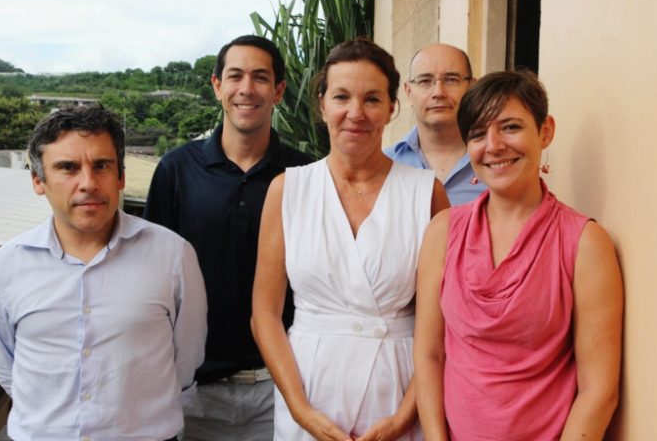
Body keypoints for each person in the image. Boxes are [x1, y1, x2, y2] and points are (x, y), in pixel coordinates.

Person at [252, 38, 449, 441]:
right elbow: (265, 314)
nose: (355, 113)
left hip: (398, 392)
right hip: (308, 390)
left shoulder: (426, 192)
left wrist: (403, 418)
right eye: (341, 97)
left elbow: (443, 321)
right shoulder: (287, 190)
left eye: (372, 99)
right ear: (322, 104)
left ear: (391, 108)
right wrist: (301, 411)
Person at [0, 104, 207, 441]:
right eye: (67, 168)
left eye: (101, 166)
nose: (88, 183)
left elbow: (187, 358)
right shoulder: (3, 270)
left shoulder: (173, 256)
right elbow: (6, 366)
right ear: (38, 180)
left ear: (120, 176)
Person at [414, 70, 623, 440]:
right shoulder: (443, 232)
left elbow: (599, 390)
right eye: (478, 134)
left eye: (510, 127)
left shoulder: (584, 244)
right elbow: (430, 354)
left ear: (545, 131)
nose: (493, 146)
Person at [144, 35, 313, 440]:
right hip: (195, 392)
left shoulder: (306, 175)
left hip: (285, 388)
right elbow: (151, 277)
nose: (246, 89)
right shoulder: (175, 170)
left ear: (278, 91)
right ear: (217, 86)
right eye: (235, 76)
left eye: (260, 77)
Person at [384, 44, 486, 205]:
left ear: (472, 87)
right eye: (425, 81)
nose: (438, 92)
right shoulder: (384, 166)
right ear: (409, 91)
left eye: (451, 80)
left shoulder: (496, 162)